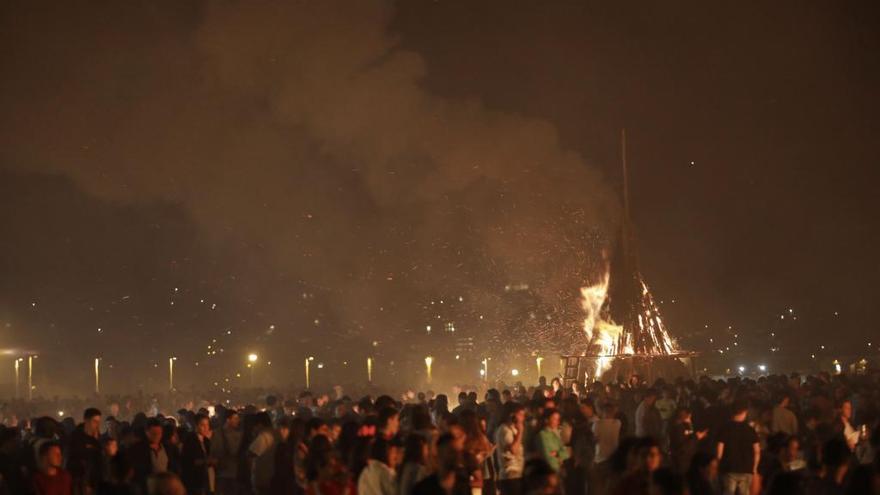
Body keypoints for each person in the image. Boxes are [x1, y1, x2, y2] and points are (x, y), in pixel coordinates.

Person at [716, 400, 760, 495]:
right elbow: (757, 451)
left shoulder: (725, 428)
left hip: (729, 468)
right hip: (747, 469)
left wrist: (719, 464)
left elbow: (720, 450)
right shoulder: (750, 430)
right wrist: (755, 468)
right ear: (744, 412)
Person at [67, 407, 104, 495]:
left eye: (99, 422)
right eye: (95, 421)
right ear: (86, 420)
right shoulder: (76, 437)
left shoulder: (97, 438)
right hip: (81, 482)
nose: (97, 425)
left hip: (95, 482)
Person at [181, 413, 216, 495]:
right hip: (195, 480)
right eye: (202, 425)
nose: (206, 428)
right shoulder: (190, 440)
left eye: (207, 425)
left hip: (207, 479)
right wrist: (206, 461)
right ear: (196, 425)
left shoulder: (206, 441)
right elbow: (188, 461)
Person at [495, 402, 526, 495]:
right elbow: (513, 450)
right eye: (520, 415)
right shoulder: (505, 429)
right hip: (510, 474)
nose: (523, 418)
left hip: (517, 473)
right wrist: (520, 431)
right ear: (512, 415)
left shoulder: (512, 428)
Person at [212, 410, 244, 495]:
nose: (238, 420)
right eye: (235, 418)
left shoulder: (216, 433)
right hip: (228, 472)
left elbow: (213, 451)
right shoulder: (238, 435)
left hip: (223, 471)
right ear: (228, 420)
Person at [669, 407, 706, 475]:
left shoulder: (682, 426)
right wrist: (697, 437)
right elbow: (683, 446)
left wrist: (690, 424)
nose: (690, 417)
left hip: (685, 459)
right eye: (689, 415)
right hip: (682, 460)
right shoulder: (678, 428)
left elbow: (690, 434)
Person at [536, 409, 569, 473]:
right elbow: (548, 457)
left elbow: (566, 453)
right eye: (554, 419)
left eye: (558, 419)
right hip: (549, 471)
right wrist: (559, 458)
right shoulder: (542, 435)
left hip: (557, 471)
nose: (557, 422)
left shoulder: (556, 434)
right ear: (547, 420)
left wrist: (557, 454)